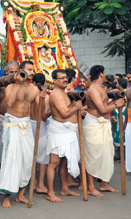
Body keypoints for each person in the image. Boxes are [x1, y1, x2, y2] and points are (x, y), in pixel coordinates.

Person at [0, 61, 45, 208]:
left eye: (32, 70)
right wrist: (17, 84)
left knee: (27, 160)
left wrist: (42, 98)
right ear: (21, 71)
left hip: (26, 125)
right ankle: (6, 196)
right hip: (12, 124)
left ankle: (21, 194)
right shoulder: (11, 86)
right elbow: (9, 103)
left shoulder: (34, 89)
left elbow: (40, 111)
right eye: (29, 70)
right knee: (10, 160)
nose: (32, 72)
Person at [83, 65, 124, 197]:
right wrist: (117, 105)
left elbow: (105, 106)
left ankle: (104, 183)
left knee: (107, 153)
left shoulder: (101, 88)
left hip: (103, 124)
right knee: (92, 155)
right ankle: (90, 187)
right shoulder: (94, 89)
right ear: (101, 74)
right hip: (94, 124)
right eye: (104, 73)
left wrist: (115, 102)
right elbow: (101, 109)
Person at [46, 69, 81, 202]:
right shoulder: (55, 94)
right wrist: (76, 107)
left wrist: (75, 103)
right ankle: (50, 192)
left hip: (68, 131)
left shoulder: (64, 93)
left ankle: (64, 188)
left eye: (66, 78)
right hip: (59, 131)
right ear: (54, 80)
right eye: (61, 78)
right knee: (54, 162)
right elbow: (65, 113)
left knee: (64, 161)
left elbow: (69, 109)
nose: (65, 80)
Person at [0, 61, 19, 172]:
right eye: (11, 72)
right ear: (6, 72)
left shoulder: (21, 85)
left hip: (14, 121)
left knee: (11, 150)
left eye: (16, 72)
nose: (13, 74)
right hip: (1, 119)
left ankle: (8, 173)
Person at [30, 72, 51, 194]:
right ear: (44, 84)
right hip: (40, 126)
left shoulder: (30, 94)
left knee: (33, 156)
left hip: (29, 124)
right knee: (43, 158)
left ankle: (34, 181)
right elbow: (44, 115)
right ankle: (41, 184)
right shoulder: (45, 97)